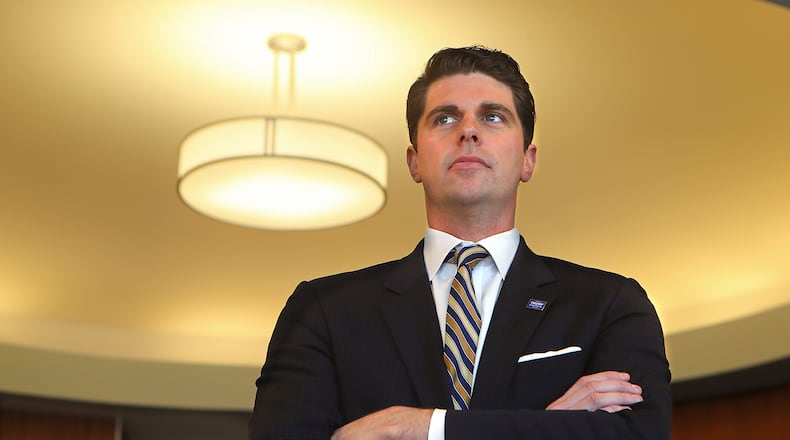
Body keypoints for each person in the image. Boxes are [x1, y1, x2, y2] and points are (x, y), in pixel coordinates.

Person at [249, 46, 671, 439]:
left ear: (527, 160)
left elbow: (638, 434)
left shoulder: (610, 304)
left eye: (493, 117)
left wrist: (421, 428)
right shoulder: (323, 310)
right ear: (415, 161)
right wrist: (550, 425)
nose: (468, 131)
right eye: (445, 119)